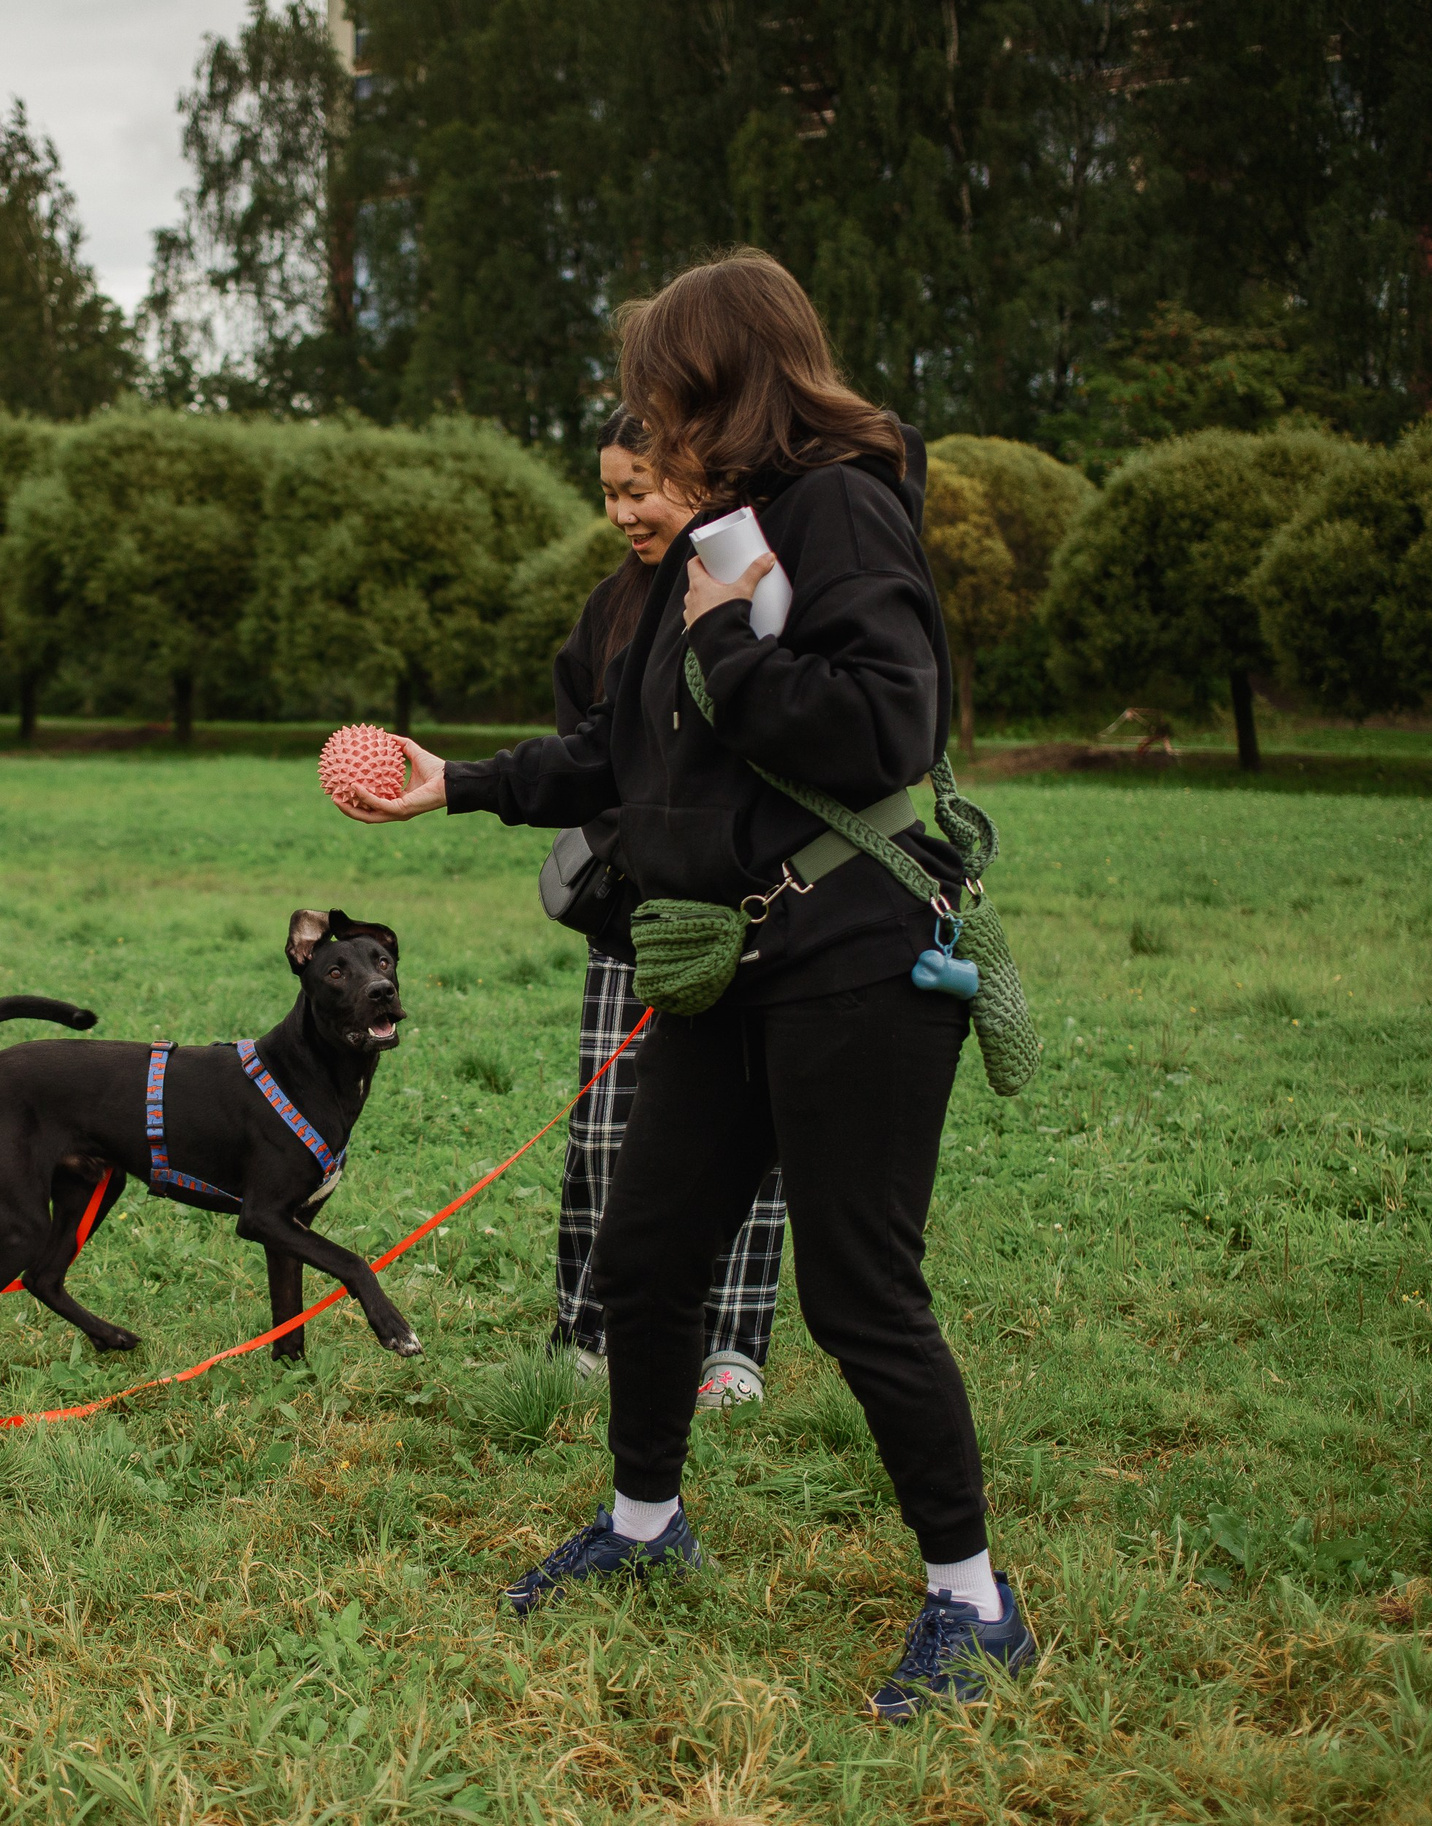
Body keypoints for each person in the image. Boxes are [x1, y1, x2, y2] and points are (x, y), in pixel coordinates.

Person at [349, 248, 1033, 1720]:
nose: (643, 401)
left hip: (856, 953)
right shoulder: (706, 541)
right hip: (725, 960)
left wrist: (731, 629)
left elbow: (883, 725)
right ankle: (647, 1525)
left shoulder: (839, 507)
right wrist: (451, 782)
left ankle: (974, 1600)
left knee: (861, 1293)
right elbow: (617, 749)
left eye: (663, 371)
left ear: (726, 375)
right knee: (646, 1261)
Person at [557, 408, 787, 1410]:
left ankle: (730, 1342)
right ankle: (588, 1325)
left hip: (759, 916)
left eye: (637, 487)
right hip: (638, 921)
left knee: (752, 1135)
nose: (620, 511)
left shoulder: (767, 581)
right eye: (608, 490)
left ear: (695, 476)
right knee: (606, 1129)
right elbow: (586, 755)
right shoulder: (612, 610)